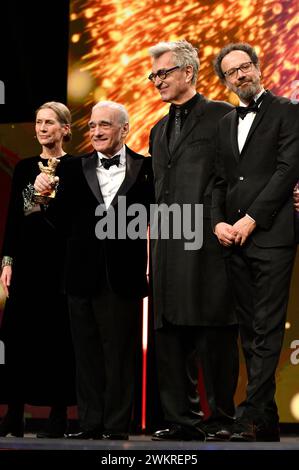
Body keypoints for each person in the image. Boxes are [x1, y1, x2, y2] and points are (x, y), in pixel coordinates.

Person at [34, 101, 153, 440]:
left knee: (119, 356)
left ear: (124, 130)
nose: (97, 132)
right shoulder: (73, 169)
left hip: (124, 277)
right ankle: (90, 424)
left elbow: (159, 218)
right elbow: (57, 221)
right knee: (86, 356)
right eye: (93, 126)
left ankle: (116, 427)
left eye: (105, 125)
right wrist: (44, 198)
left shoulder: (146, 168)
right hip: (80, 275)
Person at [148, 40, 238, 441]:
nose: (156, 81)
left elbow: (229, 178)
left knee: (213, 333)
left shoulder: (222, 115)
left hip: (207, 243)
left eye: (163, 72)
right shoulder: (157, 128)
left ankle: (220, 419)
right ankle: (180, 420)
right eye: (153, 75)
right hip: (167, 242)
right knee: (169, 336)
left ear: (188, 72)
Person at [212, 42, 299, 442]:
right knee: (250, 330)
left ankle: (248, 415)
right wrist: (217, 223)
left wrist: (250, 219)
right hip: (233, 241)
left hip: (273, 236)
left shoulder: (287, 111)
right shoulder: (225, 122)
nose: (241, 75)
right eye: (232, 72)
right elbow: (219, 182)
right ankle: (265, 421)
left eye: (246, 66)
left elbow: (287, 171)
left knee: (265, 328)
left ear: (258, 67)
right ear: (225, 81)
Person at [0, 102, 76, 438]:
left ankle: (58, 414)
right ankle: (14, 412)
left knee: (58, 340)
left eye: (50, 123)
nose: (42, 128)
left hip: (60, 264)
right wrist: (7, 261)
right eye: (38, 122)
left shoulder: (77, 167)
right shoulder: (24, 166)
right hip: (27, 263)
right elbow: (17, 217)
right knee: (17, 338)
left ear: (65, 129)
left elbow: (70, 219)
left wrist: (51, 195)